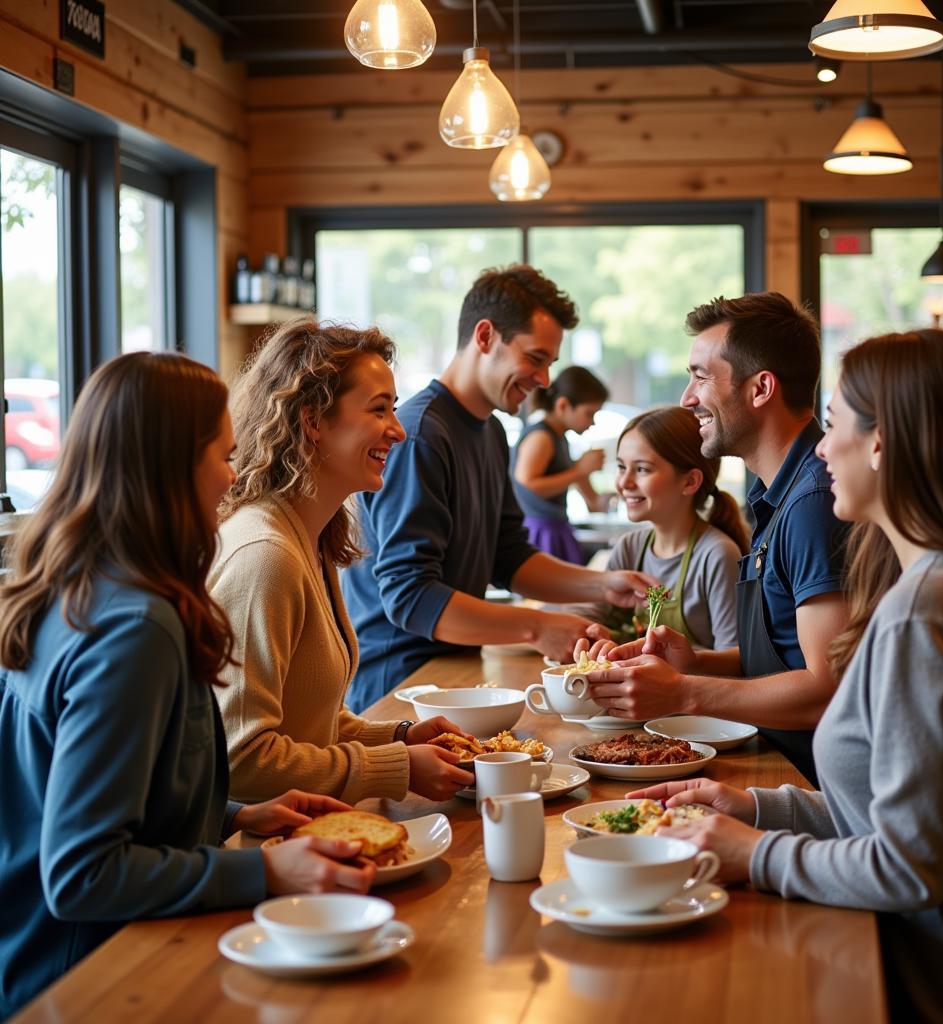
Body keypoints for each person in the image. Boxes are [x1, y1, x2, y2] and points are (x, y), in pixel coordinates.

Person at [628, 329, 943, 1023]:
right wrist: (755, 810)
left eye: (835, 423)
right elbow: (896, 813)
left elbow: (909, 868)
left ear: (882, 443)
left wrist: (754, 854)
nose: (818, 447)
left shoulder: (926, 613)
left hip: (941, 985)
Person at [0, 353, 375, 1018]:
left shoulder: (77, 587)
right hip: (94, 978)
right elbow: (84, 872)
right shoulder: (133, 630)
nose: (234, 480)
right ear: (172, 468)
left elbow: (109, 794)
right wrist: (263, 870)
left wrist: (231, 813)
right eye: (226, 456)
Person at [343, 265, 656, 712]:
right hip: (400, 688)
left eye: (550, 363)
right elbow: (409, 597)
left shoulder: (489, 432)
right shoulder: (420, 436)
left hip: (453, 677)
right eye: (536, 358)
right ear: (485, 336)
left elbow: (508, 558)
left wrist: (603, 586)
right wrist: (536, 627)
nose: (544, 380)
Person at [579, 292, 850, 786]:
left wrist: (684, 691)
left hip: (813, 784)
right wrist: (695, 663)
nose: (687, 398)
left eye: (701, 376)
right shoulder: (779, 493)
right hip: (782, 762)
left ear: (761, 388)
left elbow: (827, 687)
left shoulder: (813, 502)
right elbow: (787, 651)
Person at [212, 319, 475, 804]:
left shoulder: (308, 536)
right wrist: (396, 766)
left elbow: (307, 723)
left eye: (394, 409)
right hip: (264, 851)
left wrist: (399, 738)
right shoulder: (265, 557)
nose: (397, 430)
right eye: (379, 410)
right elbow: (241, 760)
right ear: (313, 421)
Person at [571, 406, 746, 650]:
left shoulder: (716, 554)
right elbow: (592, 614)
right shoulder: (630, 547)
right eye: (621, 467)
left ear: (690, 481)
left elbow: (734, 658)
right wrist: (589, 632)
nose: (623, 483)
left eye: (642, 469)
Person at [511, 365, 611, 564]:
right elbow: (528, 482)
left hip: (555, 527)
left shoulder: (559, 438)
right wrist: (579, 470)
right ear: (563, 405)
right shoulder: (542, 436)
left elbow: (593, 502)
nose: (592, 422)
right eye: (589, 413)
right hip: (540, 531)